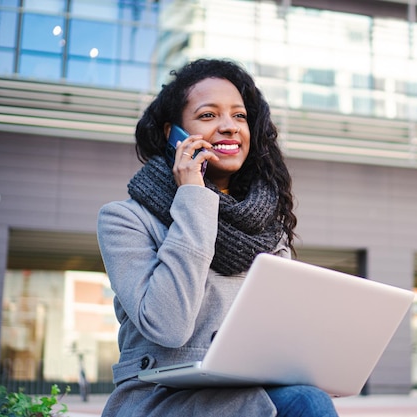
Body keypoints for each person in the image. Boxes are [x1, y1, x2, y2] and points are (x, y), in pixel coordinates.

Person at [97, 58, 339, 417]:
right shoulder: (125, 219)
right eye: (208, 115)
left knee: (308, 397)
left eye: (239, 117)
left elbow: (274, 334)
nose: (229, 127)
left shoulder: (267, 228)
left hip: (245, 389)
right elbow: (168, 326)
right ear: (172, 133)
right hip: (162, 397)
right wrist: (193, 197)